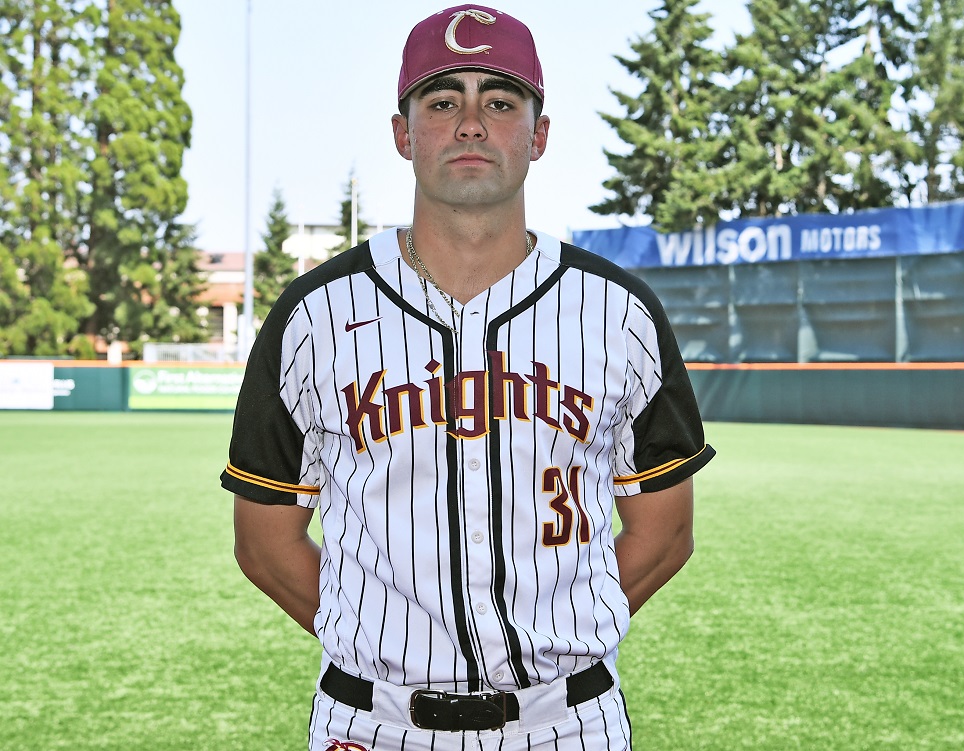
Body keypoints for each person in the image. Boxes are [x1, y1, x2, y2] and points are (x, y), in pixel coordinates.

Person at [221, 5, 716, 750]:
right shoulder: (313, 315)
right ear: (403, 131)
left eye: (501, 101)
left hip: (568, 723)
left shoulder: (619, 312)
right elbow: (263, 543)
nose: (472, 123)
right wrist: (386, 646)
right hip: (373, 724)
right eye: (444, 100)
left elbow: (666, 532)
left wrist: (562, 640)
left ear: (539, 135)